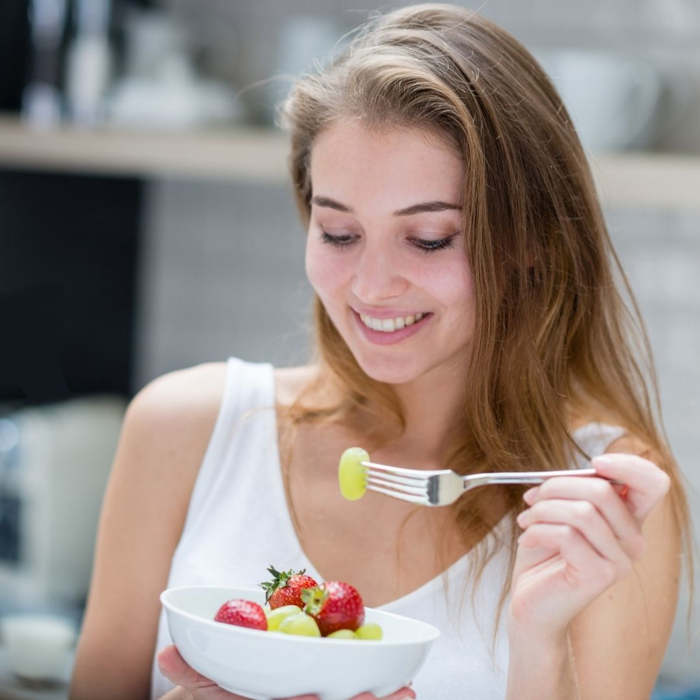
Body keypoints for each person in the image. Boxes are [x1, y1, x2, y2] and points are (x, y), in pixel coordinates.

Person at [69, 4, 694, 699]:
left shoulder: (599, 499)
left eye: (428, 238)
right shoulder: (183, 428)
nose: (370, 286)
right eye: (339, 233)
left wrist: (538, 650)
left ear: (530, 245)